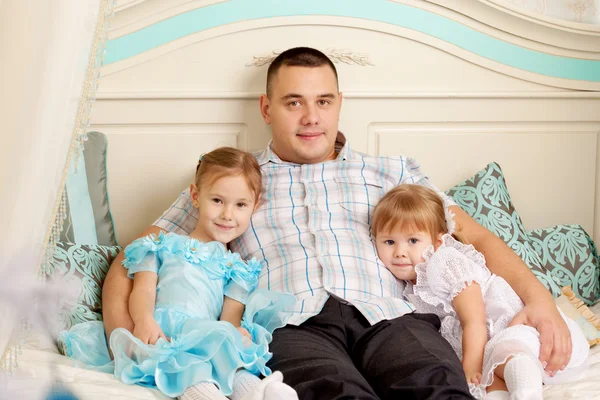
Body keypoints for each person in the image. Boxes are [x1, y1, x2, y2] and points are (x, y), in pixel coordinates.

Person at [102, 47, 574, 399]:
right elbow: (135, 256)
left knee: (434, 383)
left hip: (388, 317)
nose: (311, 118)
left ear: (339, 103)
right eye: (294, 103)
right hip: (292, 323)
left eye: (324, 102)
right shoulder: (232, 184)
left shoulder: (392, 172)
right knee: (332, 393)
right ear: (267, 108)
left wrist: (541, 303)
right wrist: (124, 336)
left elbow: (476, 235)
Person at [59, 147, 298, 400]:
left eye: (240, 205)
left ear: (255, 206)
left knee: (230, 363)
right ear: (195, 196)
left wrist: (235, 332)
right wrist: (143, 320)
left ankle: (262, 391)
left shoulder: (237, 268)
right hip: (164, 330)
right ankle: (204, 394)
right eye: (217, 200)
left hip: (207, 332)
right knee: (187, 369)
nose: (228, 215)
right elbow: (144, 289)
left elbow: (230, 317)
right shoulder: (161, 245)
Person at [372, 184, 589, 399]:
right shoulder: (413, 289)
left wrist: (469, 367)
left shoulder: (444, 262)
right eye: (389, 242)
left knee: (503, 351)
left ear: (437, 242)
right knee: (485, 382)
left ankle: (527, 393)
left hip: (531, 335)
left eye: (412, 240)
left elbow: (475, 320)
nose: (400, 252)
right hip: (488, 349)